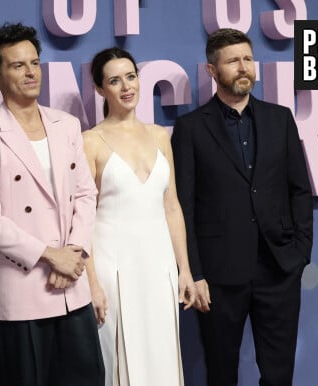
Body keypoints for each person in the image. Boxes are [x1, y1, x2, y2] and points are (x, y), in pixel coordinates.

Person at [0, 23, 105, 386]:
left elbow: (86, 195)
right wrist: (49, 254)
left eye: (35, 63)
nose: (30, 73)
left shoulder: (67, 125)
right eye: (17, 65)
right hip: (22, 289)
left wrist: (72, 252)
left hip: (72, 285)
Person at [171, 28, 313, 386]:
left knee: (279, 374)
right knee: (221, 373)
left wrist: (300, 253)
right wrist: (196, 273)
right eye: (233, 61)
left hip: (279, 267)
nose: (243, 67)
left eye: (247, 59)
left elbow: (299, 190)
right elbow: (183, 205)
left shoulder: (279, 119)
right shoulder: (189, 129)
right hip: (219, 276)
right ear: (212, 70)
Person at [83, 47, 196, 386]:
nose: (126, 87)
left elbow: (172, 206)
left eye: (130, 77)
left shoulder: (161, 135)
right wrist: (91, 283)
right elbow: (83, 218)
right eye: (114, 81)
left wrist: (185, 269)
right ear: (101, 89)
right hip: (112, 267)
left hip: (159, 267)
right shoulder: (90, 141)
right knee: (118, 362)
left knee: (161, 357)